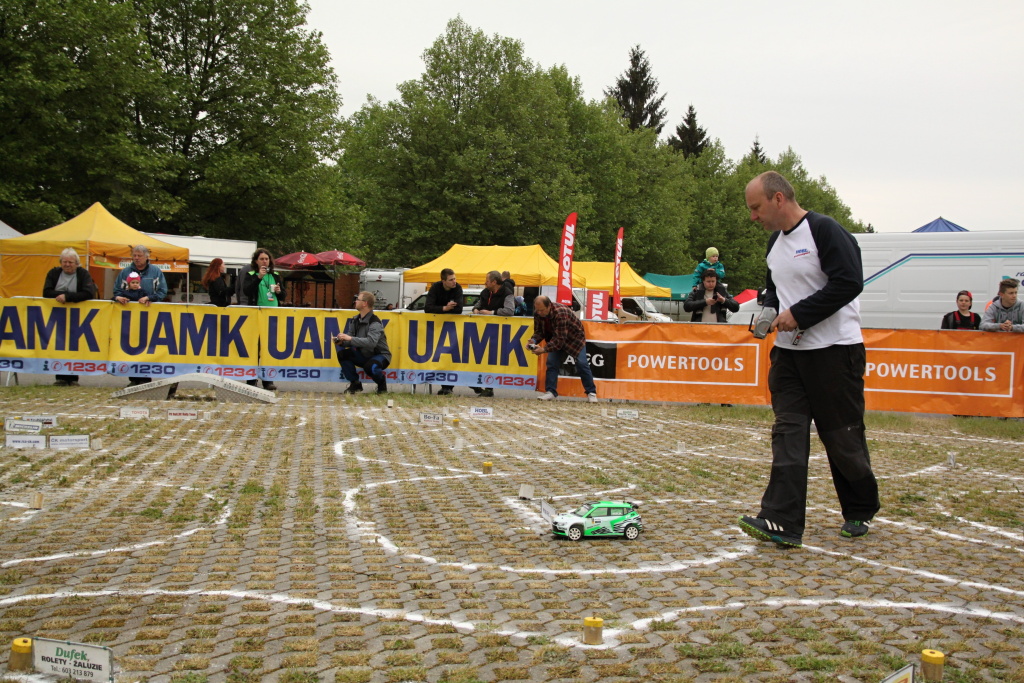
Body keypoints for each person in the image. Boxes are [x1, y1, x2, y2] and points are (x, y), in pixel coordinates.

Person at [737, 171, 879, 548]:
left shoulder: (825, 231)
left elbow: (849, 282)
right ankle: (781, 521)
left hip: (835, 352)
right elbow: (773, 289)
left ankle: (860, 509)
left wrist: (799, 314)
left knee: (842, 438)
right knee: (788, 434)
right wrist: (768, 311)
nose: (753, 217)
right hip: (789, 356)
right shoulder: (774, 243)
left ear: (778, 198)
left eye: (756, 207)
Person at [527, 295, 599, 403]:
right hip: (555, 339)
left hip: (574, 339)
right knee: (551, 363)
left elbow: (560, 339)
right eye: (537, 310)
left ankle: (591, 393)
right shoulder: (538, 313)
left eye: (541, 310)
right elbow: (539, 331)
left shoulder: (560, 313)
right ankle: (550, 392)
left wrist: (544, 349)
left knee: (582, 364)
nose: (539, 313)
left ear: (549, 306)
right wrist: (533, 341)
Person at [42, 248, 97, 386]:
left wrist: (68, 297)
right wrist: (58, 296)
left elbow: (89, 293)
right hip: (56, 315)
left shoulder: (83, 274)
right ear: (60, 262)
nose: (67, 265)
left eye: (70, 262)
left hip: (78, 316)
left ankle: (72, 378)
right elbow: (46, 291)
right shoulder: (54, 273)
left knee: (74, 346)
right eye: (64, 262)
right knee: (59, 345)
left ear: (77, 263)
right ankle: (60, 377)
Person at [114, 245, 167, 386]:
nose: (136, 258)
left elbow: (162, 291)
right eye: (134, 255)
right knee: (130, 347)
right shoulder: (125, 272)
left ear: (146, 256)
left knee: (147, 347)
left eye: (139, 255)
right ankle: (133, 379)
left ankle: (145, 378)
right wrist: (118, 298)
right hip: (129, 318)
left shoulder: (156, 272)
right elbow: (116, 291)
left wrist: (150, 298)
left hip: (149, 317)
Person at [334, 291, 391, 394]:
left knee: (371, 367)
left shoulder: (375, 322)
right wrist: (341, 342)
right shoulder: (355, 320)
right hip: (365, 355)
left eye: (358, 299)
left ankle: (382, 386)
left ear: (365, 303)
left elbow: (371, 343)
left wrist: (350, 339)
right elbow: (350, 340)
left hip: (381, 356)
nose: (355, 301)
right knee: (343, 354)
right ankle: (355, 384)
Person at [240, 249, 281, 390]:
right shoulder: (250, 275)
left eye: (267, 259)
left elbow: (283, 295)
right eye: (262, 259)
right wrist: (258, 278)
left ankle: (268, 380)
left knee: (268, 349)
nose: (265, 261)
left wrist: (279, 292)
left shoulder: (275, 275)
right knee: (254, 348)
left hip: (272, 316)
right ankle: (251, 380)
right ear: (256, 261)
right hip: (256, 315)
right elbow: (246, 291)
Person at [470, 270, 515, 397]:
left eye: (487, 281)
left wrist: (492, 313)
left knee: (491, 360)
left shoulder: (507, 293)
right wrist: (476, 309)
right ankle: (476, 383)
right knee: (477, 359)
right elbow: (479, 303)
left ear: (494, 282)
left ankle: (489, 388)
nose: (485, 283)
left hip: (499, 332)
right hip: (481, 331)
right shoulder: (485, 292)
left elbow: (510, 311)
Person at [424, 268, 463, 395]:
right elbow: (427, 308)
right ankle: (441, 383)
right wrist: (445, 308)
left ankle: (448, 387)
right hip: (435, 327)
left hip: (451, 327)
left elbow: (459, 309)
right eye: (451, 280)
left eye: (455, 278)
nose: (454, 282)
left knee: (450, 356)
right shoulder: (435, 288)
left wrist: (441, 309)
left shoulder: (458, 288)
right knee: (437, 356)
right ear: (443, 281)